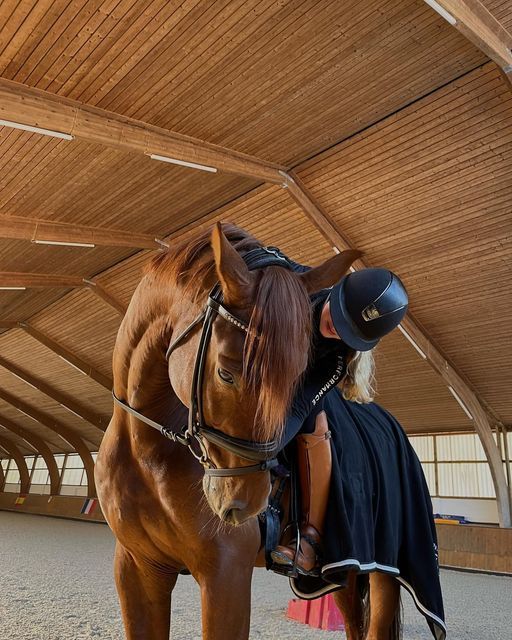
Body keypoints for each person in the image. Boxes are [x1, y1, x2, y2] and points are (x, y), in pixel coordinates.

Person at [270, 265, 409, 576]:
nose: (338, 329)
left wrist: (265, 447)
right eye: (341, 317)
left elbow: (300, 406)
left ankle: (309, 536)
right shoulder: (300, 285)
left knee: (316, 422)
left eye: (350, 331)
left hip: (295, 393)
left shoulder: (334, 360)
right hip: (257, 366)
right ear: (335, 291)